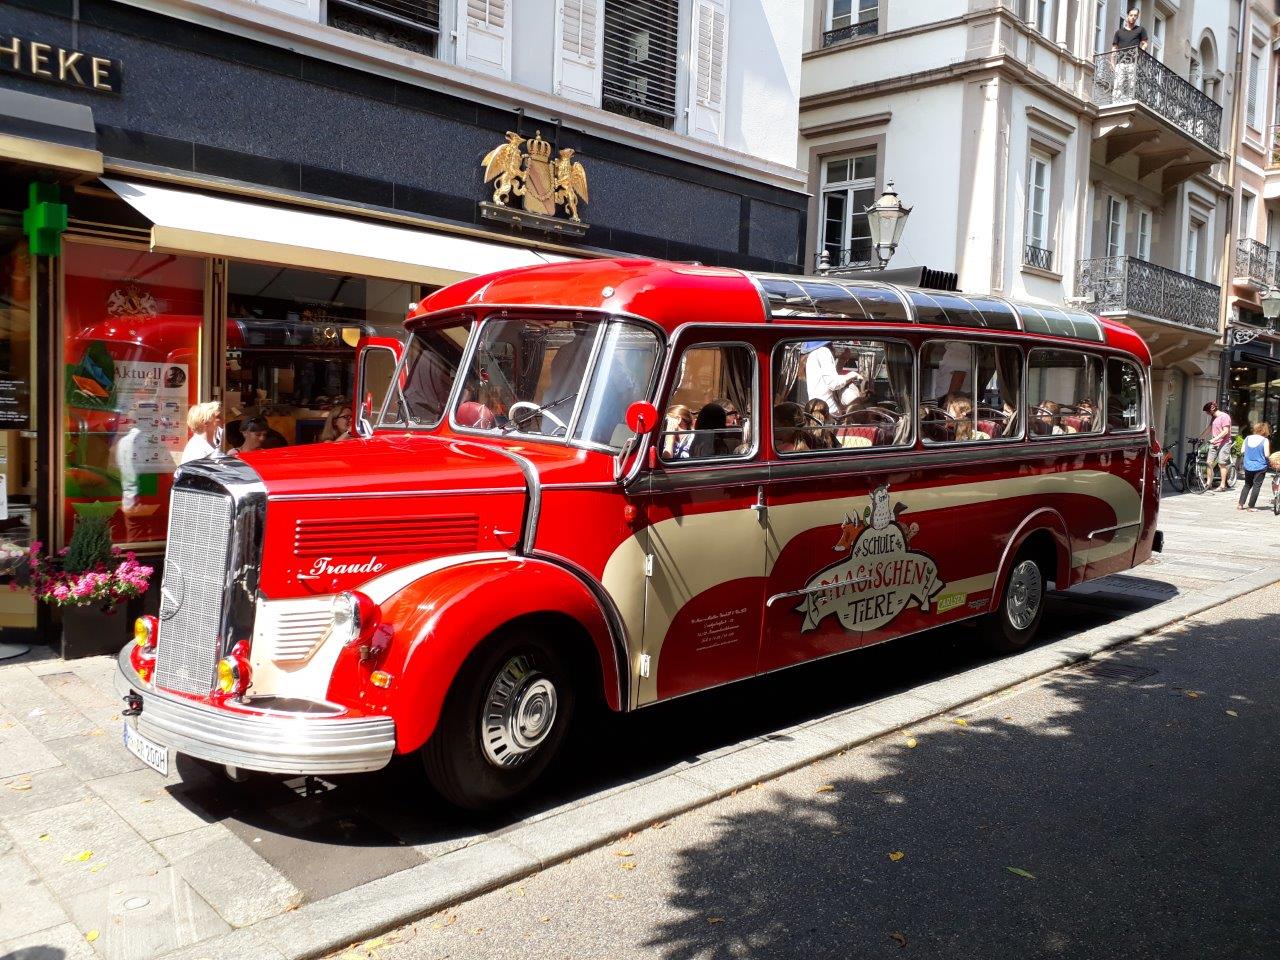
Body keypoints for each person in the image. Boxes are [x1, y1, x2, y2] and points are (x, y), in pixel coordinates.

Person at [803, 341, 864, 417]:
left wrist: (842, 360)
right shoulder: (823, 351)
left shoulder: (813, 355)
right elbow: (834, 383)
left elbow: (830, 380)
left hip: (818, 409)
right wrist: (853, 374)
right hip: (829, 412)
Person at [1112, 8, 1148, 100]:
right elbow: (1114, 48)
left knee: (1131, 85)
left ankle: (1128, 102)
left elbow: (1145, 43)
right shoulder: (1119, 32)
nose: (1133, 17)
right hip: (1120, 62)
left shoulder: (1140, 30)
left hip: (1132, 62)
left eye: (1135, 16)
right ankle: (1116, 102)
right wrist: (1112, 63)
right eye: (1131, 15)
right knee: (1118, 84)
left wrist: (1140, 52)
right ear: (1127, 16)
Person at [1199, 401, 1233, 491]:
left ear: (1212, 409)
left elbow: (1225, 431)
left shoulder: (1225, 417)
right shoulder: (1214, 417)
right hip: (1214, 443)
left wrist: (1215, 439)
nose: (1207, 413)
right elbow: (1209, 429)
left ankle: (1222, 485)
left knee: (1222, 463)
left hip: (1224, 443)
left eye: (1207, 411)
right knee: (1209, 463)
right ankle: (1208, 483)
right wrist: (1200, 437)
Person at [1238, 422, 1271, 510]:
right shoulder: (1265, 440)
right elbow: (1267, 455)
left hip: (1248, 465)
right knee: (1256, 486)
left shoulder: (1247, 438)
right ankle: (1251, 506)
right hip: (1260, 467)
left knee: (1247, 485)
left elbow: (1242, 451)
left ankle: (1240, 504)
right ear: (1264, 430)